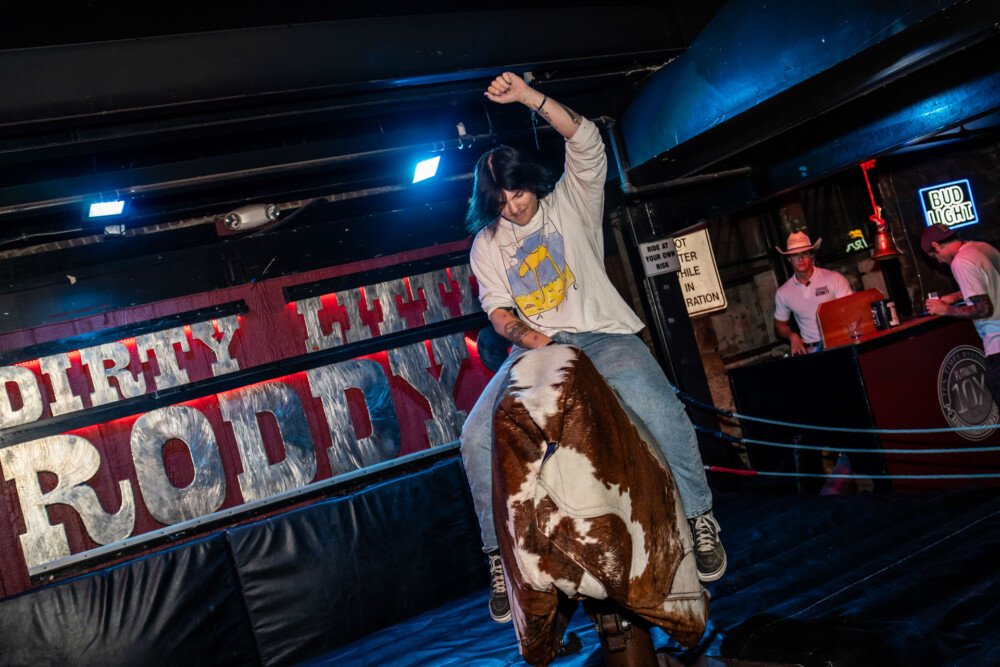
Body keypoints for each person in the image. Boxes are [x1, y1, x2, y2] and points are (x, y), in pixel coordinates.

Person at [460, 71, 725, 624]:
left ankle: (700, 517)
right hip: (533, 351)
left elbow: (584, 139)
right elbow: (498, 312)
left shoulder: (571, 201)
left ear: (531, 181)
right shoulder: (486, 244)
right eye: (502, 201)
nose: (514, 206)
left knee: (659, 405)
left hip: (603, 335)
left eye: (519, 192)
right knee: (474, 436)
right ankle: (498, 557)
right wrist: (539, 342)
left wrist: (530, 98)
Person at [922, 223, 1000, 405]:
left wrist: (944, 310)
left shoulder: (960, 262)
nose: (939, 262)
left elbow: (983, 309)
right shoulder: (981, 247)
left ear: (935, 245)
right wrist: (957, 296)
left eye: (935, 257)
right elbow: (991, 282)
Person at [773, 231, 852, 354]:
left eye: (804, 253)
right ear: (789, 259)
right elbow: (780, 324)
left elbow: (852, 310)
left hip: (841, 345)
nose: (800, 258)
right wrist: (791, 335)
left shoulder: (834, 278)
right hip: (811, 352)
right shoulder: (783, 292)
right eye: (795, 255)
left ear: (811, 255)